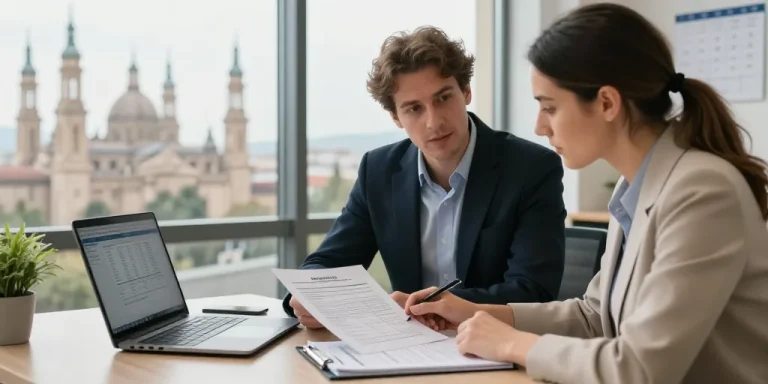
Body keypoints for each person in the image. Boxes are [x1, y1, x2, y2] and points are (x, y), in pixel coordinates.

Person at [403, 4, 768, 384]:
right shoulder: (635, 188)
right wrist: (473, 312)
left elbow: (639, 369)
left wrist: (511, 343)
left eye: (549, 107)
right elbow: (595, 316)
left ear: (607, 103)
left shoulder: (702, 192)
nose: (540, 126)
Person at [284, 26, 567, 329]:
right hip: (409, 345)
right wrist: (307, 297)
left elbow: (533, 292)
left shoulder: (531, 168)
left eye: (443, 98)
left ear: (466, 92)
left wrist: (433, 306)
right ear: (396, 117)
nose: (434, 121)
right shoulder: (378, 171)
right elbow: (329, 261)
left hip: (496, 342)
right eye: (414, 108)